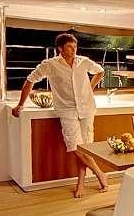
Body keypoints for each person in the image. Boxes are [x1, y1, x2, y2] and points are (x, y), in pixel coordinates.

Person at [13, 32, 109, 197]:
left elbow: (100, 72)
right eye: (70, 46)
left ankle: (80, 183)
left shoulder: (84, 62)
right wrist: (20, 104)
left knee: (85, 148)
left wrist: (90, 89)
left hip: (87, 109)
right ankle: (100, 173)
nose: (74, 49)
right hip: (67, 110)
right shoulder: (49, 65)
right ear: (60, 48)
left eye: (75, 46)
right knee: (75, 147)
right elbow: (30, 80)